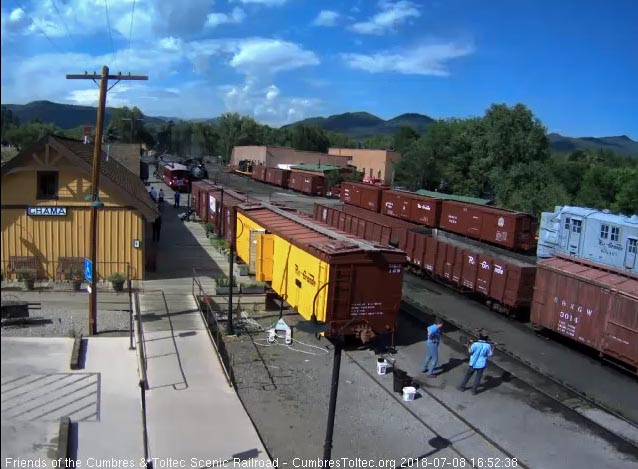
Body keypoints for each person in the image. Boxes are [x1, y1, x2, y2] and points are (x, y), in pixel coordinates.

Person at [457, 330, 494, 395]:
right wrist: (493, 347)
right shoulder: (488, 346)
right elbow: (490, 354)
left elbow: (470, 351)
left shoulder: (475, 344)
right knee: (478, 378)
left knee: (467, 376)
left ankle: (462, 387)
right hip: (482, 364)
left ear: (479, 336)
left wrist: (469, 344)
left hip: (473, 363)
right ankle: (474, 391)